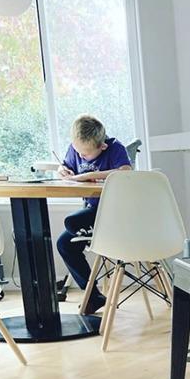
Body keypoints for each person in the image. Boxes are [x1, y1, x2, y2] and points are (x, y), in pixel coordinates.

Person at [56, 115, 132, 314]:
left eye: (86, 154)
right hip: (93, 211)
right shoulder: (76, 149)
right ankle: (92, 295)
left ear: (102, 147)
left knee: (73, 222)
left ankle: (81, 225)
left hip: (116, 212)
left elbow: (125, 172)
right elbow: (67, 169)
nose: (80, 157)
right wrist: (62, 170)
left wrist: (89, 175)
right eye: (78, 152)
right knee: (64, 244)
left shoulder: (115, 148)